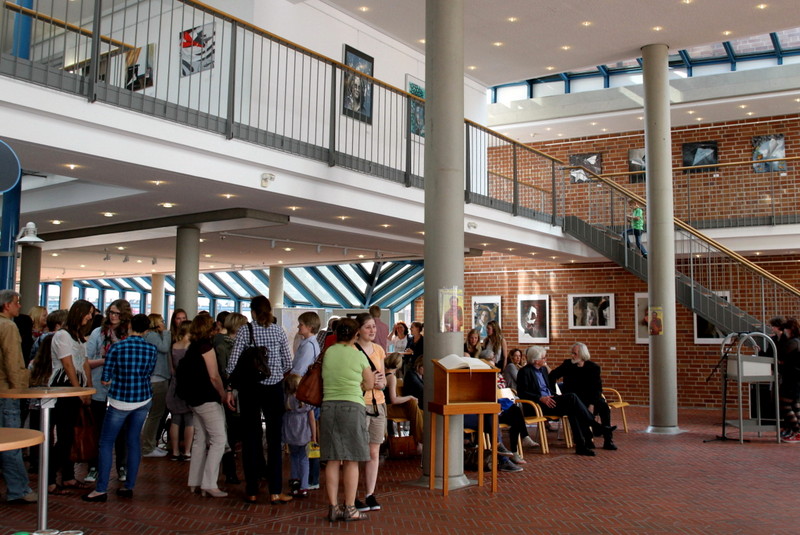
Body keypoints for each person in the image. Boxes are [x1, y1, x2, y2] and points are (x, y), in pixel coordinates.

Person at [82, 314, 158, 502]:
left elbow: (105, 377)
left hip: (119, 400)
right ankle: (129, 485)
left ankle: (101, 489)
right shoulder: (151, 349)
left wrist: (111, 382)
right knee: (133, 442)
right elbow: (149, 372)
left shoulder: (117, 347)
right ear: (147, 330)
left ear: (130, 325)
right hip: (142, 398)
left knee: (106, 443)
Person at [225, 296, 293, 504]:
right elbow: (288, 361)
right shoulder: (278, 330)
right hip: (273, 389)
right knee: (274, 440)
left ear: (253, 312)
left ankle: (252, 490)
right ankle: (275, 491)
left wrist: (230, 386)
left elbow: (233, 362)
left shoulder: (246, 330)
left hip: (250, 388)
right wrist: (276, 374)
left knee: (251, 438)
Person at [320, 317, 374, 522]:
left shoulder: (328, 352)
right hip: (352, 406)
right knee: (351, 459)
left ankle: (333, 507)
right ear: (355, 334)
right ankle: (350, 508)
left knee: (333, 459)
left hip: (328, 406)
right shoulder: (358, 355)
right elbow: (369, 383)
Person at [516, 345, 603, 457]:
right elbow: (522, 393)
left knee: (572, 409)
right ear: (536, 361)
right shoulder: (524, 372)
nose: (545, 360)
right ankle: (594, 424)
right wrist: (540, 398)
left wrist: (554, 395)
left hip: (551, 401)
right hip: (538, 405)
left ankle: (581, 446)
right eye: (543, 358)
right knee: (572, 397)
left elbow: (549, 388)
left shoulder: (543, 370)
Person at [49, 299, 95, 493]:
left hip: (74, 388)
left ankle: (67, 477)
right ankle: (51, 479)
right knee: (64, 436)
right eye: (88, 313)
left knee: (69, 436)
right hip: (64, 389)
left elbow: (83, 363)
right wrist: (79, 390)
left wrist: (88, 389)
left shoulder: (77, 337)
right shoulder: (63, 335)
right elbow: (68, 365)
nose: (90, 317)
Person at [86, 300, 132, 483]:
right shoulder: (98, 332)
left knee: (122, 430)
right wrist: (107, 360)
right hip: (98, 386)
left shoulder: (127, 334)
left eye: (117, 314)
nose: (113, 316)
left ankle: (122, 465)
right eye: (111, 312)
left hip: (120, 389)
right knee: (96, 429)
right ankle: (94, 466)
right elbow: (87, 361)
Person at [182, 314, 228, 498]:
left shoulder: (192, 347)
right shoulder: (206, 348)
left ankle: (195, 481)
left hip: (193, 399)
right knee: (219, 439)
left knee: (199, 440)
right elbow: (214, 376)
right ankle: (209, 483)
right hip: (207, 399)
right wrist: (223, 394)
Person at [0, 289, 37, 505]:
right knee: (12, 442)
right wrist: (20, 388)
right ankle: (19, 488)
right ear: (7, 305)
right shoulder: (8, 327)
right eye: (16, 302)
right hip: (6, 391)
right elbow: (13, 362)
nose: (19, 306)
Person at [549, 343, 617, 450]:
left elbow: (597, 389)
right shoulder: (567, 365)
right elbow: (552, 376)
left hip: (591, 398)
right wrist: (553, 393)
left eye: (575, 354)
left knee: (604, 406)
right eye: (572, 353)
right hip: (574, 399)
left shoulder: (593, 368)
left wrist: (592, 404)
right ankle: (588, 440)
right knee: (578, 409)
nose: (572, 356)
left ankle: (608, 440)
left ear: (582, 354)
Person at [353, 312, 387, 513]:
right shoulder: (353, 351)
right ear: (359, 330)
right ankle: (354, 493)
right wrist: (369, 383)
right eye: (368, 327)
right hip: (360, 404)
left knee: (374, 450)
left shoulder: (379, 350)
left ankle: (370, 493)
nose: (372, 330)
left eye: (373, 326)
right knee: (358, 451)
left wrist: (381, 383)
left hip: (378, 404)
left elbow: (381, 377)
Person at [215, 312, 247, 484]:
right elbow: (224, 372)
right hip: (233, 393)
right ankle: (230, 471)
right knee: (231, 433)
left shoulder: (226, 345)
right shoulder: (225, 347)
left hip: (235, 392)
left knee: (233, 433)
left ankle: (231, 471)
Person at [141, 313, 171, 458]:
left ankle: (151, 444)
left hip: (157, 378)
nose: (163, 323)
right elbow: (164, 348)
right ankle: (147, 447)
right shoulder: (153, 336)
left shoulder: (149, 336)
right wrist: (165, 332)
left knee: (156, 414)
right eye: (162, 320)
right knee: (155, 414)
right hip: (157, 379)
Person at [166, 323, 194, 461]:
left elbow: (171, 369)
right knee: (189, 420)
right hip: (189, 386)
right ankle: (187, 451)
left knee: (175, 420)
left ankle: (175, 451)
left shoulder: (173, 346)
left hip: (175, 385)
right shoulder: (192, 347)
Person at [384, 352, 423, 451]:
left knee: (416, 409)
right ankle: (420, 440)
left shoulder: (385, 374)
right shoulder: (392, 378)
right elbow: (393, 399)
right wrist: (409, 397)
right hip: (387, 409)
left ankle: (419, 440)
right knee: (414, 406)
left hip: (385, 407)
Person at [283, 373, 313, 499]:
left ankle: (294, 482)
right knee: (304, 459)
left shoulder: (286, 400)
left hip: (290, 434)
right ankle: (304, 486)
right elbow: (311, 419)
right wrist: (314, 435)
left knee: (293, 457)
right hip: (304, 434)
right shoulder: (305, 400)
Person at [779, 318, 800, 442]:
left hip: (792, 376)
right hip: (796, 377)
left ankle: (796, 430)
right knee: (795, 404)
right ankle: (797, 430)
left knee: (785, 403)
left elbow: (782, 356)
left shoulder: (792, 342)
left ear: (790, 329)